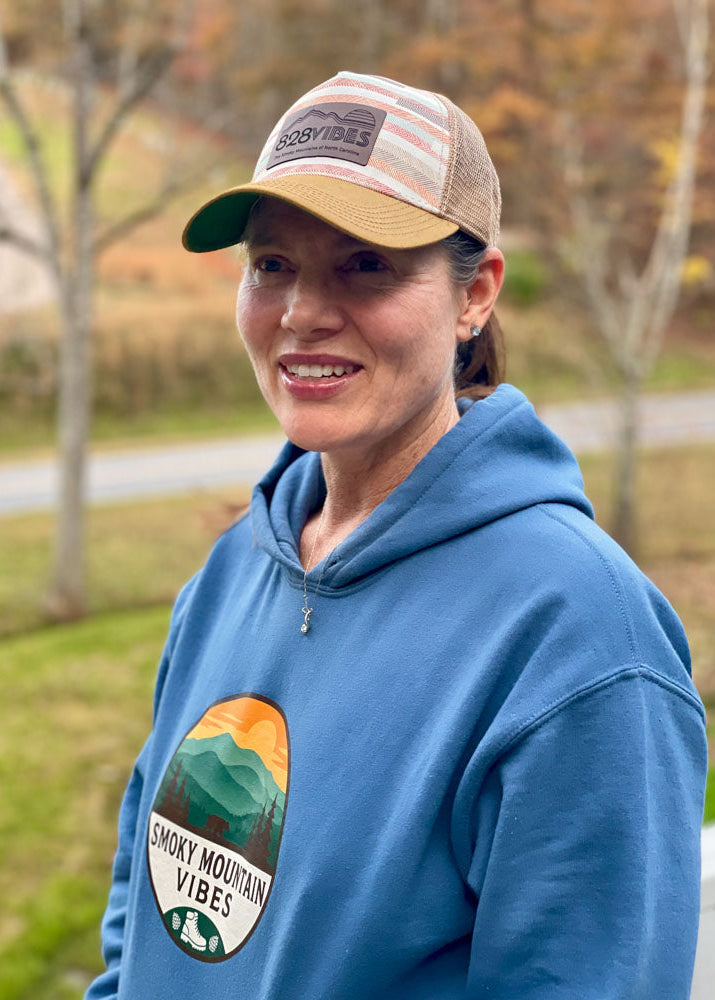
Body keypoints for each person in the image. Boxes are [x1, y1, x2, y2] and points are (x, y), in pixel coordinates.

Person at [86, 71, 706, 1000]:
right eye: (272, 264)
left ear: (474, 295)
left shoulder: (580, 639)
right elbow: (140, 920)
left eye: (365, 264)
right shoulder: (232, 571)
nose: (302, 312)